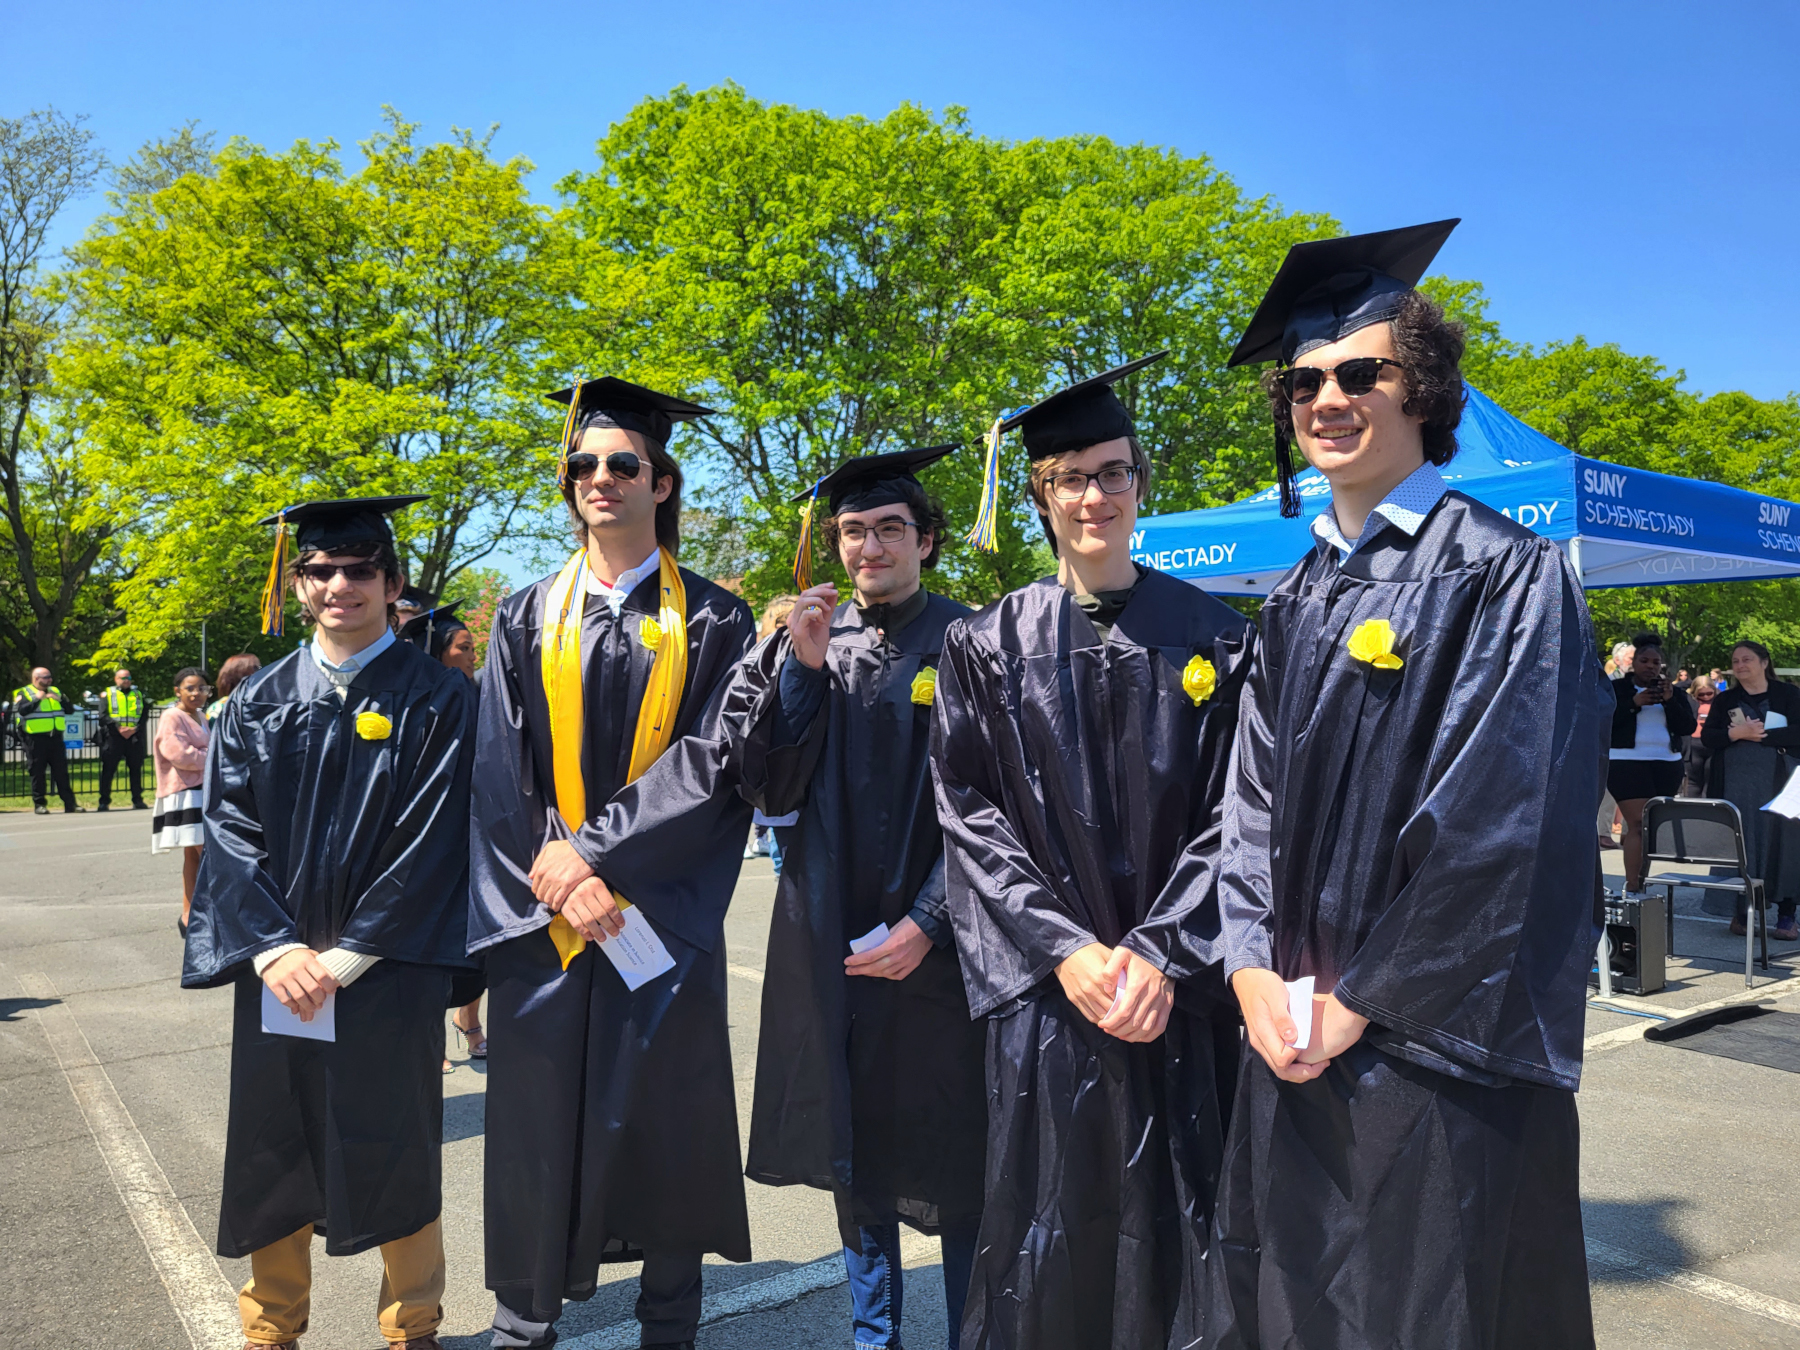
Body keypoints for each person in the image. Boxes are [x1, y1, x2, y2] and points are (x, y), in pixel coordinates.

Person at [1207, 221, 1611, 1349]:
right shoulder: (1292, 597)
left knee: (1430, 1311)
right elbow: (1248, 805)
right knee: (1296, 1307)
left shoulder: (1504, 572)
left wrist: (1360, 1001)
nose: (1327, 398)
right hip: (1288, 1033)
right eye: (1304, 381)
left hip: (1433, 1053)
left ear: (1423, 387)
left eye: (1359, 373)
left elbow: (1504, 825)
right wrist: (1247, 970)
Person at [932, 354, 1252, 1349]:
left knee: (1186, 1224)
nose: (1093, 495)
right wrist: (1067, 951)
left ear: (1140, 482)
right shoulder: (985, 645)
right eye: (1070, 477)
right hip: (1051, 998)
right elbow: (970, 815)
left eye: (1112, 472)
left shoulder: (1214, 635)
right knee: (1051, 1230)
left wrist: (1159, 954)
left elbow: (1243, 812)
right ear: (1039, 495)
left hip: (1180, 998)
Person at [471, 377, 756, 1350]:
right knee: (533, 1134)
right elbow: (497, 773)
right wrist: (553, 877)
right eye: (583, 464)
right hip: (544, 922)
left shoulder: (718, 622)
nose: (600, 478)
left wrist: (589, 859)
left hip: (657, 918)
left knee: (666, 1130)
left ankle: (668, 1324)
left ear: (662, 482)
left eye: (622, 464)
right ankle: (523, 1324)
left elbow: (715, 767)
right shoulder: (521, 616)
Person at [182, 494, 477, 1350]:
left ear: (391, 585)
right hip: (281, 974)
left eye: (359, 570)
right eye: (320, 570)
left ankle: (411, 1325)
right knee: (277, 1143)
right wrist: (274, 949)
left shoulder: (439, 698)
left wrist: (350, 955)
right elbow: (230, 834)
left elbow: (437, 837)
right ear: (298, 584)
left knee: (399, 1140)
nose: (339, 584)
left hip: (389, 969)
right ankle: (270, 1326)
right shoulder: (260, 699)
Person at [731, 445, 986, 1350]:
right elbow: (764, 788)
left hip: (947, 948)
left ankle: (969, 1331)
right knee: (857, 1153)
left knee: (958, 1152)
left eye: (889, 529)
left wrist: (930, 921)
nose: (869, 546)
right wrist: (797, 670)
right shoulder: (809, 645)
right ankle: (873, 1337)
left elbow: (1001, 807)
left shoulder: (974, 640)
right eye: (852, 531)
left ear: (926, 539)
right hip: (829, 937)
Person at [398, 599, 489, 1067]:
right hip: (433, 840)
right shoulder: (419, 700)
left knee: (478, 941)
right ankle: (429, 1033)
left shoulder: (480, 693)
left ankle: (469, 1021)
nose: (474, 654)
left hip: (477, 836)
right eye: (465, 647)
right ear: (438, 651)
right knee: (429, 940)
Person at [1702, 640, 1800, 941]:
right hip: (1736, 786)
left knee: (1785, 846)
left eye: (1747, 659)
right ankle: (1742, 915)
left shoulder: (1789, 694)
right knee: (1740, 844)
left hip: (1781, 783)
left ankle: (1787, 917)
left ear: (1764, 662)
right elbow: (1709, 737)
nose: (1740, 665)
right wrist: (1736, 733)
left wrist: (1761, 736)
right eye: (1736, 660)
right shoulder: (1725, 699)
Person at [1609, 633, 1697, 895]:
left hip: (1666, 764)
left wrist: (1670, 701)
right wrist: (1633, 704)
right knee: (1638, 822)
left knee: (1650, 827)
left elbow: (1687, 727)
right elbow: (1601, 721)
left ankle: (1642, 880)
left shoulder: (1673, 692)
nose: (1650, 666)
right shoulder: (1616, 690)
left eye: (1655, 662)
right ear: (1633, 663)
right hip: (1626, 763)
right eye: (1644, 660)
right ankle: (1633, 885)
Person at [153, 667, 210, 937]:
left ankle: (189, 916)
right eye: (190, 688)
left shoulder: (200, 715)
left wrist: (204, 753)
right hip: (185, 793)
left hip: (201, 789)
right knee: (207, 853)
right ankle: (204, 914)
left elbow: (199, 751)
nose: (196, 693)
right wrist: (210, 756)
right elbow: (179, 754)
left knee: (194, 854)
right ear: (178, 690)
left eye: (202, 688)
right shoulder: (172, 716)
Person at [745, 594, 801, 866]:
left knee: (786, 861)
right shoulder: (769, 662)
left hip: (776, 780)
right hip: (786, 779)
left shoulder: (757, 663)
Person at [11, 666, 82, 814]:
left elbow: (70, 710)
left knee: (61, 772)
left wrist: (60, 699)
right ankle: (40, 804)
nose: (49, 680)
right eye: (46, 677)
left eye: (50, 677)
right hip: (35, 738)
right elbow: (22, 710)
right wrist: (38, 699)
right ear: (36, 678)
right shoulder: (24, 692)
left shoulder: (56, 691)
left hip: (55, 737)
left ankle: (70, 804)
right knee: (37, 772)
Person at [97, 667, 150, 811]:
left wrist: (134, 729)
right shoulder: (107, 694)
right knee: (108, 770)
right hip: (114, 736)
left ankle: (137, 800)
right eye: (123, 678)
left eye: (128, 678)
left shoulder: (138, 694)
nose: (126, 681)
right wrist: (119, 728)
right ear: (116, 679)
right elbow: (103, 716)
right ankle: (104, 801)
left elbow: (144, 714)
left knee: (135, 770)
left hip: (134, 736)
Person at [1684, 674, 1717, 795]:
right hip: (1694, 744)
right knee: (1694, 782)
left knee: (1710, 781)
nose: (1706, 697)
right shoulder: (1689, 701)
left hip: (1712, 744)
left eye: (1709, 693)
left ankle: (1706, 810)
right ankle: (1692, 811)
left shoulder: (1719, 702)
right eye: (1701, 694)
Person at [207, 652, 264, 722]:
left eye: (260, 667)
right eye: (256, 668)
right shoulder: (220, 708)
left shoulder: (260, 704)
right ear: (239, 673)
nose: (261, 671)